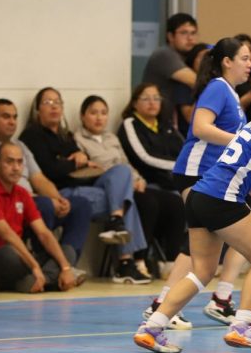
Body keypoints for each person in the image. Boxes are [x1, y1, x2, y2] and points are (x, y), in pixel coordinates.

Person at [133, 79, 251, 353]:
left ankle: (152, 328)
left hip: (200, 196)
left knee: (202, 271)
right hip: (221, 199)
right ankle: (242, 326)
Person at [143, 37, 251, 328]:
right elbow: (201, 127)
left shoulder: (231, 93)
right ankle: (170, 304)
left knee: (212, 239)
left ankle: (197, 300)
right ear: (227, 62)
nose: (250, 64)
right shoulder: (217, 87)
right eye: (244, 58)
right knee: (203, 241)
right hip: (198, 171)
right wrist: (240, 141)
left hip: (215, 174)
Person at [19, 87, 152, 284]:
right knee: (125, 199)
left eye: (57, 102)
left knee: (122, 171)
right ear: (37, 110)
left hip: (88, 187)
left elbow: (85, 162)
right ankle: (125, 262)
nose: (54, 106)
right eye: (47, 102)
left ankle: (116, 221)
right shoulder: (32, 136)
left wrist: (75, 162)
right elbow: (49, 169)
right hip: (62, 193)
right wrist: (73, 163)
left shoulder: (66, 136)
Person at [0, 99, 93, 256]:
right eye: (6, 117)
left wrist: (59, 200)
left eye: (15, 117)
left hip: (31, 204)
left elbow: (39, 179)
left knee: (81, 205)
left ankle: (66, 261)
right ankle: (44, 260)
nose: (12, 122)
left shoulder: (19, 145)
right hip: (6, 212)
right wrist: (46, 201)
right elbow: (5, 185)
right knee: (44, 205)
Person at [76, 95, 185, 272]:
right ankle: (140, 259)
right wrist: (124, 177)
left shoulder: (111, 138)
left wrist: (138, 179)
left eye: (103, 113)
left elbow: (126, 163)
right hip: (105, 185)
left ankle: (171, 261)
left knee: (174, 202)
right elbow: (87, 169)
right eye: (93, 113)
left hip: (128, 183)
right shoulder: (77, 139)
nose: (99, 118)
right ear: (82, 116)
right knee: (147, 203)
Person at [0, 142, 78, 294]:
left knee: (67, 251)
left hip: (20, 258)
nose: (16, 168)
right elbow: (7, 235)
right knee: (8, 253)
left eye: (19, 162)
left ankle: (39, 281)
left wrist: (65, 268)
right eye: (9, 162)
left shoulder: (22, 193)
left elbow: (43, 232)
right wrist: (34, 266)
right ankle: (46, 280)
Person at [142, 13, 199, 133]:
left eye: (193, 33)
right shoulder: (164, 54)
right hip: (152, 124)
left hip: (169, 125)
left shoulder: (186, 57)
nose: (190, 38)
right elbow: (196, 81)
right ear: (170, 36)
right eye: (184, 33)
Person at [119, 83, 184, 190]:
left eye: (156, 98)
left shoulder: (165, 124)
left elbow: (182, 148)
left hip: (173, 177)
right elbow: (145, 157)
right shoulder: (130, 123)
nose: (152, 102)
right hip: (149, 182)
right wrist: (180, 165)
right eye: (146, 99)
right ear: (134, 103)